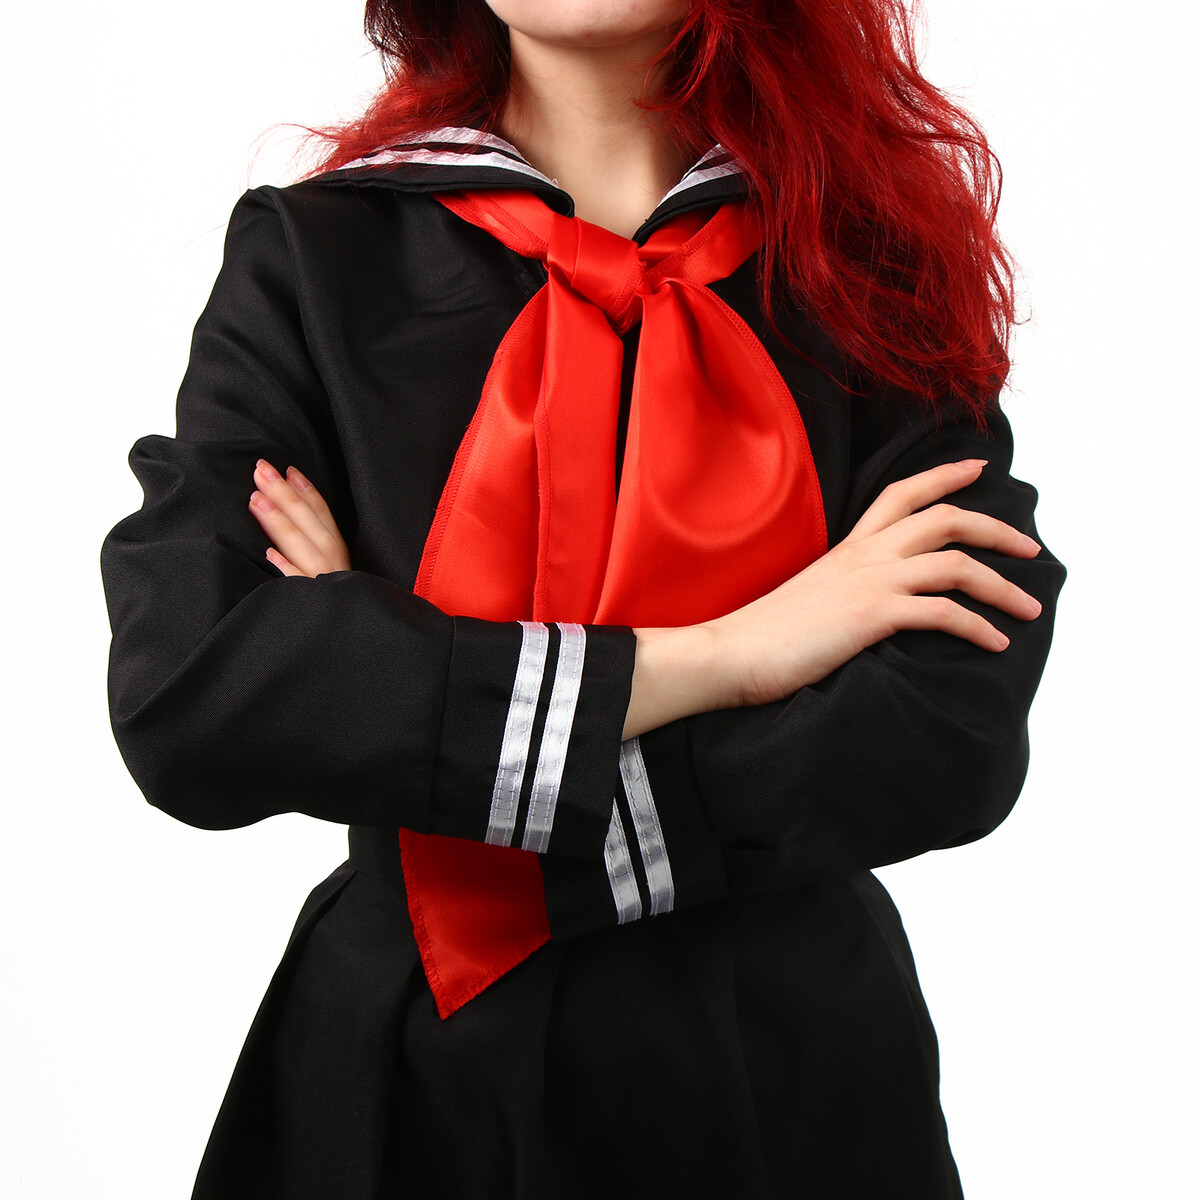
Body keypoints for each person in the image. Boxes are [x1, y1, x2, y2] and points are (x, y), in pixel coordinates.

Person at [100, 1, 1067, 1196]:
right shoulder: (313, 259)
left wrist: (397, 689)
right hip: (404, 1090)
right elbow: (194, 690)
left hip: (789, 1084)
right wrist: (737, 655)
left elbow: (951, 728)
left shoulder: (864, 265)